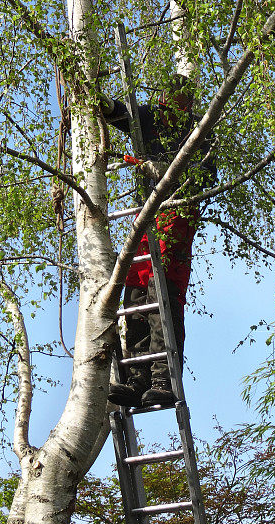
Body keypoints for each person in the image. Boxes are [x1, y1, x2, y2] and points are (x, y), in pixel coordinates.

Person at [103, 74, 212, 408]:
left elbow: (205, 175)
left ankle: (163, 377)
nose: (167, 110)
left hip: (178, 213)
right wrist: (96, 95)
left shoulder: (198, 129)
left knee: (161, 290)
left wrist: (160, 168)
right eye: (166, 102)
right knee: (134, 292)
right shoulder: (149, 116)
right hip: (148, 216)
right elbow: (118, 113)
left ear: (187, 104)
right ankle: (137, 378)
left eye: (176, 105)